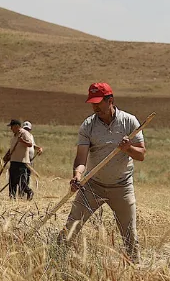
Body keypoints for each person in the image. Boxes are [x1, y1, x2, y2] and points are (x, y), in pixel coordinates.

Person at [57, 82, 146, 263]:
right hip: (92, 184)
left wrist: (128, 148)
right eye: (92, 102)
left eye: (98, 102)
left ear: (110, 100)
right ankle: (55, 258)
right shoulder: (88, 125)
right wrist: (77, 175)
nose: (95, 106)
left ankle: (135, 269)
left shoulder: (129, 121)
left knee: (130, 234)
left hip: (122, 187)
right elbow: (81, 158)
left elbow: (141, 154)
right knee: (72, 226)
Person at [4, 119, 34, 200]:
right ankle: (12, 197)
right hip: (14, 160)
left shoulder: (24, 133)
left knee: (21, 180)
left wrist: (22, 141)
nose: (11, 129)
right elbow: (12, 147)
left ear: (17, 126)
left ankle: (29, 192)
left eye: (12, 127)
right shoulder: (14, 135)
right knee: (12, 180)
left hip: (22, 161)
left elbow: (30, 144)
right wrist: (7, 155)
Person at [22, 121, 43, 186]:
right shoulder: (21, 136)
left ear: (30, 129)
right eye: (25, 129)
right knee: (23, 176)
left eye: (28, 129)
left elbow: (33, 146)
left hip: (30, 160)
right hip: (23, 160)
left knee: (27, 175)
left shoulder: (31, 136)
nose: (26, 130)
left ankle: (24, 192)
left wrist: (39, 148)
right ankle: (21, 192)